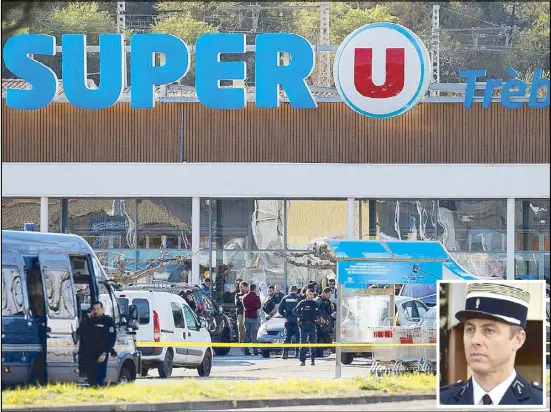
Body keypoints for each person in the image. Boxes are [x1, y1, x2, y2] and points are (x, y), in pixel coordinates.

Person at [440, 283, 543, 406]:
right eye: (470, 330)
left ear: (518, 340)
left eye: (489, 330)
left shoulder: (539, 402)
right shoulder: (443, 400)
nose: (475, 340)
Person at [78, 301, 117, 387]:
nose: (96, 311)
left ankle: (99, 389)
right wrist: (87, 319)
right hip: (89, 352)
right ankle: (93, 390)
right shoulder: (89, 321)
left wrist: (104, 353)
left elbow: (111, 338)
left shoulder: (107, 321)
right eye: (94, 309)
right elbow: (80, 331)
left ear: (102, 309)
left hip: (101, 352)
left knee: (100, 375)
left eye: (98, 309)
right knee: (91, 376)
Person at [293, 289, 322, 366]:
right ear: (306, 294)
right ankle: (302, 360)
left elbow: (320, 312)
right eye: (309, 294)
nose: (311, 296)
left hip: (312, 324)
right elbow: (295, 311)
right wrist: (300, 315)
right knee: (303, 342)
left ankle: (312, 360)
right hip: (303, 324)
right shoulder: (302, 303)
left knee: (312, 342)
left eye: (312, 295)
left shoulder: (315, 303)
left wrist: (318, 316)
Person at [278, 285, 302, 359]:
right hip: (296, 319)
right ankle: (297, 353)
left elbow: (280, 309)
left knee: (287, 336)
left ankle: (285, 353)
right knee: (298, 336)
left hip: (288, 319)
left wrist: (285, 315)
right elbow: (301, 309)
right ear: (296, 291)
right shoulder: (299, 299)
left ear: (290, 290)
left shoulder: (285, 298)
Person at [242, 283, 262, 356]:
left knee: (247, 334)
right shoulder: (256, 297)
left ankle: (246, 350)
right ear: (255, 289)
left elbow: (244, 306)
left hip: (247, 317)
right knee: (254, 334)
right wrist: (255, 307)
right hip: (254, 317)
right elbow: (259, 306)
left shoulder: (244, 297)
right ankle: (255, 350)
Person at [315, 287, 335, 357]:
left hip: (326, 323)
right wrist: (320, 319)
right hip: (319, 323)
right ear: (324, 293)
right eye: (329, 294)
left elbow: (331, 312)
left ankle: (322, 353)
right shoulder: (318, 300)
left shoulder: (328, 302)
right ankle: (318, 354)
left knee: (325, 338)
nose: (330, 295)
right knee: (319, 338)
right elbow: (316, 311)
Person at [235, 281, 249, 353]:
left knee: (248, 329)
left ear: (246, 287)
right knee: (241, 329)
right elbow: (237, 303)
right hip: (240, 313)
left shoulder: (249, 294)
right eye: (240, 287)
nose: (240, 289)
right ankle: (242, 345)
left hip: (248, 313)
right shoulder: (237, 295)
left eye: (242, 287)